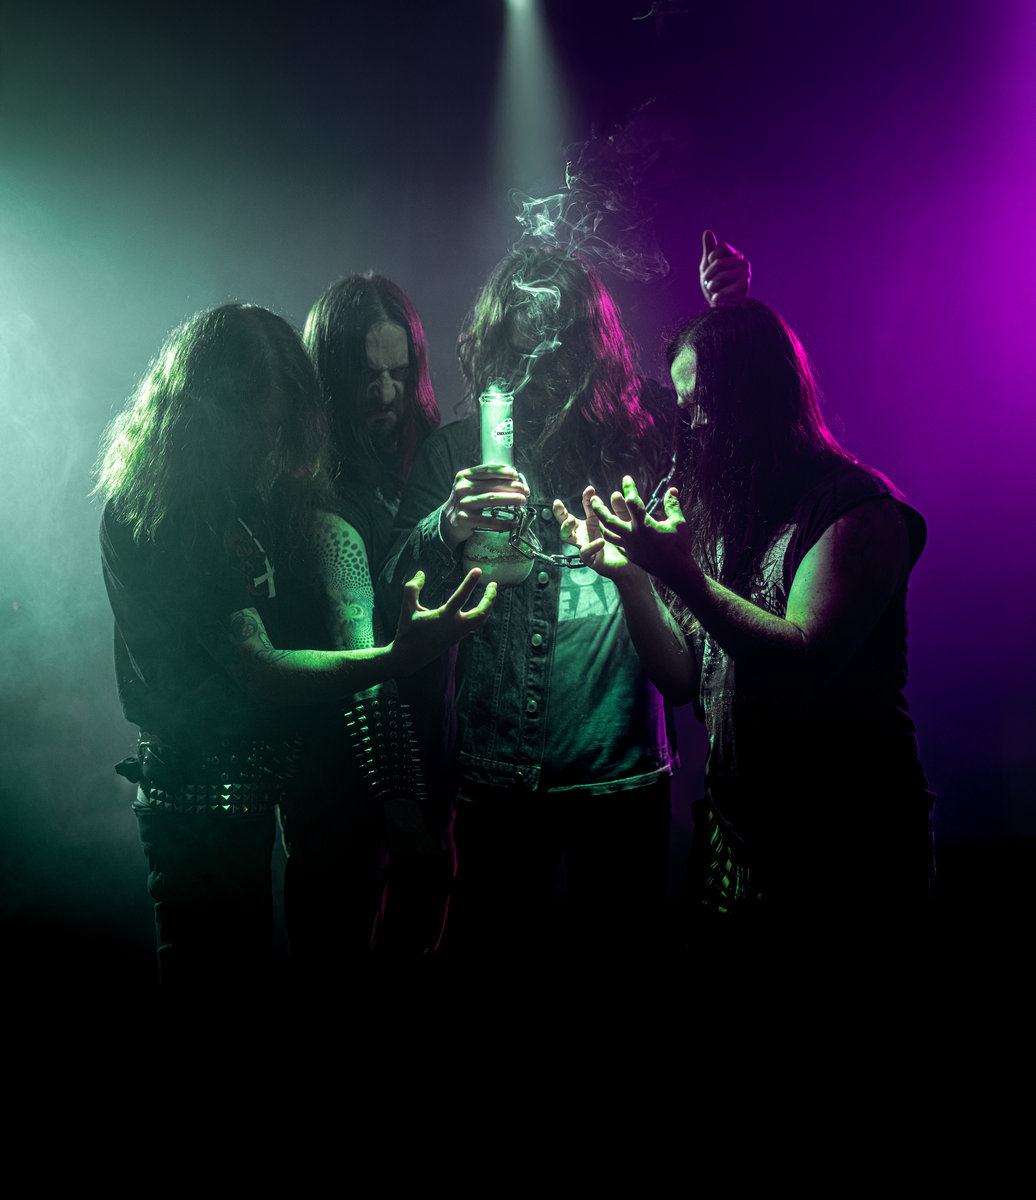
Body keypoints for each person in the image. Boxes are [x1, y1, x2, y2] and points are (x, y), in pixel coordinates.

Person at [96, 303, 495, 996]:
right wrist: (397, 658)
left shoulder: (243, 499)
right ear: (208, 415)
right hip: (194, 796)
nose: (268, 441)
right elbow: (260, 670)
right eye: (255, 423)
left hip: (251, 791)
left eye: (279, 423)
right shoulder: (164, 511)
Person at [379, 235, 750, 968]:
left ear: (590, 352)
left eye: (556, 360)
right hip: (497, 779)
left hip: (623, 777)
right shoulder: (455, 453)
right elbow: (389, 591)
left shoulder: (648, 435)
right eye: (520, 359)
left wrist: (732, 318)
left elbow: (739, 431)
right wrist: (444, 526)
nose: (539, 381)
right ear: (494, 354)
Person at [556, 297, 933, 939]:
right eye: (685, 407)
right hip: (734, 844)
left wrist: (683, 575)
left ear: (760, 394)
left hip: (848, 853)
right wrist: (631, 579)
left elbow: (802, 661)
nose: (694, 425)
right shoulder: (724, 511)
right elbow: (683, 680)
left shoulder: (858, 509)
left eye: (706, 402)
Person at [275, 274, 450, 975]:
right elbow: (366, 663)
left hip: (426, 773)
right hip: (340, 789)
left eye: (399, 372)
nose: (385, 392)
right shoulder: (321, 497)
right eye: (366, 375)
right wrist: (400, 808)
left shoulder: (419, 465)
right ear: (328, 377)